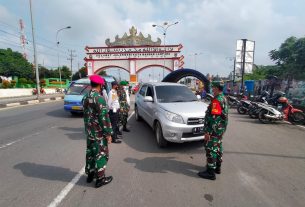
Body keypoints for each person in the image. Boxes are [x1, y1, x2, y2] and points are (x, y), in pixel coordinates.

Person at [82, 75, 113, 188]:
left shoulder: (86, 97)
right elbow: (103, 117)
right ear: (100, 85)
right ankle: (100, 178)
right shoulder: (99, 98)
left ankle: (90, 174)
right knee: (101, 154)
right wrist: (108, 133)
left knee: (90, 153)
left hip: (89, 132)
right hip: (98, 133)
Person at [198, 81, 229, 180]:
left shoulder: (216, 101)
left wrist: (208, 132)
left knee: (211, 149)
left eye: (213, 87)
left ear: (216, 88)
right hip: (220, 129)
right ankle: (217, 168)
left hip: (214, 130)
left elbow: (214, 118)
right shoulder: (223, 98)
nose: (212, 89)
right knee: (218, 147)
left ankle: (210, 172)